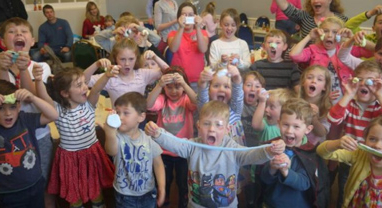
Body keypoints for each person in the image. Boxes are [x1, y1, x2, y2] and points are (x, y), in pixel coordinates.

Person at [145, 100, 286, 208]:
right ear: (198, 126)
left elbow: (251, 155)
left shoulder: (232, 148)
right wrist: (158, 133)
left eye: (218, 125)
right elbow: (174, 143)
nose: (212, 129)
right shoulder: (192, 145)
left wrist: (268, 151)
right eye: (207, 124)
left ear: (227, 129)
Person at [33, 66, 116, 207]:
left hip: (91, 154)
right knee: (74, 193)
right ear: (65, 93)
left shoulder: (89, 104)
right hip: (69, 158)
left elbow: (96, 89)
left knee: (95, 190)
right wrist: (38, 80)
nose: (85, 87)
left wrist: (107, 75)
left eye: (84, 83)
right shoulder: (57, 109)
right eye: (79, 85)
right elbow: (43, 96)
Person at [0, 17, 57, 207]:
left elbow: (37, 100)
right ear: (2, 41)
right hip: (6, 139)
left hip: (38, 135)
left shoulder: (42, 67)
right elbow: (3, 92)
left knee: (44, 183)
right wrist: (2, 68)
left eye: (23, 31)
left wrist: (24, 70)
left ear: (32, 41)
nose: (18, 34)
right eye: (12, 31)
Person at [327, 60, 382, 208]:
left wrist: (379, 94)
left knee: (369, 193)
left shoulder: (378, 106)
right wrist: (349, 94)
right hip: (350, 157)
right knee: (345, 191)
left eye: (370, 81)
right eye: (360, 80)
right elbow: (333, 119)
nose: (364, 84)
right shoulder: (349, 104)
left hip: (374, 159)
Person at [261, 98, 330, 208]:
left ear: (308, 129)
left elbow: (304, 183)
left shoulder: (310, 153)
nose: (289, 131)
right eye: (285, 124)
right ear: (279, 123)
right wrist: (272, 168)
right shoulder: (272, 147)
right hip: (272, 204)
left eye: (296, 126)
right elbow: (264, 179)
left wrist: (286, 171)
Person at [0, 80, 58, 208]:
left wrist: (33, 98)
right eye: (1, 109)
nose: (8, 113)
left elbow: (53, 115)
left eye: (12, 107)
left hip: (35, 186)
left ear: (19, 106)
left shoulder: (25, 119)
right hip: (7, 194)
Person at [103, 92, 165, 208]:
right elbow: (111, 151)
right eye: (117, 112)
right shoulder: (117, 137)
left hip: (148, 193)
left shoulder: (148, 139)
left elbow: (158, 164)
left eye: (126, 113)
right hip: (124, 195)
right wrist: (110, 132)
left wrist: (162, 188)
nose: (120, 117)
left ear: (141, 117)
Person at [147, 66, 197, 207]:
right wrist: (159, 85)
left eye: (177, 87)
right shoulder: (163, 99)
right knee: (164, 182)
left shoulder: (186, 99)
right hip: (163, 152)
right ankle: (164, 203)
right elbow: (149, 105)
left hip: (184, 151)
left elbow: (197, 102)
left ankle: (183, 203)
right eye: (169, 87)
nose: (174, 91)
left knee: (183, 184)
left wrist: (185, 85)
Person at [289, 16, 358, 104]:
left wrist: (352, 38)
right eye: (325, 31)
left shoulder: (346, 49)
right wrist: (309, 36)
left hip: (343, 100)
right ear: (320, 33)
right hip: (319, 101)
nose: (329, 35)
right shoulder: (313, 49)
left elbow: (372, 51)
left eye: (335, 32)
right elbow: (294, 55)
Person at [317, 116, 382, 207]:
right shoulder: (359, 154)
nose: (378, 145)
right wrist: (337, 143)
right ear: (365, 139)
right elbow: (321, 152)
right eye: (372, 139)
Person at [85, 38, 167, 106]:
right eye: (122, 59)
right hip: (118, 123)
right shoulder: (110, 77)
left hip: (138, 122)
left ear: (136, 58)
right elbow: (83, 80)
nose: (127, 64)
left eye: (131, 59)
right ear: (115, 59)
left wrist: (155, 57)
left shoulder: (143, 74)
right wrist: (96, 64)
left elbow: (168, 71)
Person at [198, 65, 245, 145]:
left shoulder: (235, 110)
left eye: (226, 86)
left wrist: (236, 77)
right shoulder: (206, 109)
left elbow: (238, 93)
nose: (221, 89)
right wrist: (202, 81)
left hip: (234, 156)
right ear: (209, 90)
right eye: (216, 86)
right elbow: (202, 95)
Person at [168, 1, 208, 90]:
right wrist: (181, 27)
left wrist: (198, 27)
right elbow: (173, 49)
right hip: (177, 80)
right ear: (179, 18)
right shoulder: (173, 34)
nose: (187, 18)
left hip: (197, 80)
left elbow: (203, 49)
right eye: (184, 15)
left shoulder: (203, 33)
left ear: (195, 17)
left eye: (190, 15)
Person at [271, 0, 348, 41]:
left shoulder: (342, 20)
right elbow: (285, 6)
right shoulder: (305, 16)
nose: (315, 1)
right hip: (307, 67)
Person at [94, 16, 162, 57]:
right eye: (121, 30)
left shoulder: (141, 42)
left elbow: (157, 39)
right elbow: (98, 38)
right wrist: (113, 32)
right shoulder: (114, 44)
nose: (124, 33)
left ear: (135, 32)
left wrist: (139, 27)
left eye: (128, 31)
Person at [298, 65, 332, 145]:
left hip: (313, 150)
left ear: (325, 87)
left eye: (319, 79)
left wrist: (314, 118)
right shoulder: (294, 103)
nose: (314, 81)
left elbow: (322, 133)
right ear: (303, 82)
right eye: (309, 77)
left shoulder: (327, 107)